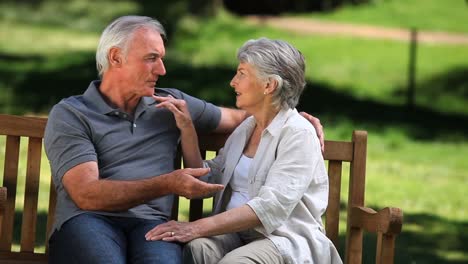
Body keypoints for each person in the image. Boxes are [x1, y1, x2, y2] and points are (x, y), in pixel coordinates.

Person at [44, 16, 324, 264]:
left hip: (151, 225)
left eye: (161, 58)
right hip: (88, 220)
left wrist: (296, 117)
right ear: (116, 57)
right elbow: (87, 194)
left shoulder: (170, 102)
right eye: (151, 58)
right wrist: (168, 182)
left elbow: (249, 115)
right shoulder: (72, 114)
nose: (162, 69)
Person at [145, 38, 342, 264]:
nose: (232, 82)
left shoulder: (298, 134)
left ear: (269, 86)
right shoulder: (246, 129)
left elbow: (269, 207)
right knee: (197, 249)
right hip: (237, 235)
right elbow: (208, 180)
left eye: (242, 73)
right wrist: (187, 128)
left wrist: (194, 227)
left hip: (282, 239)